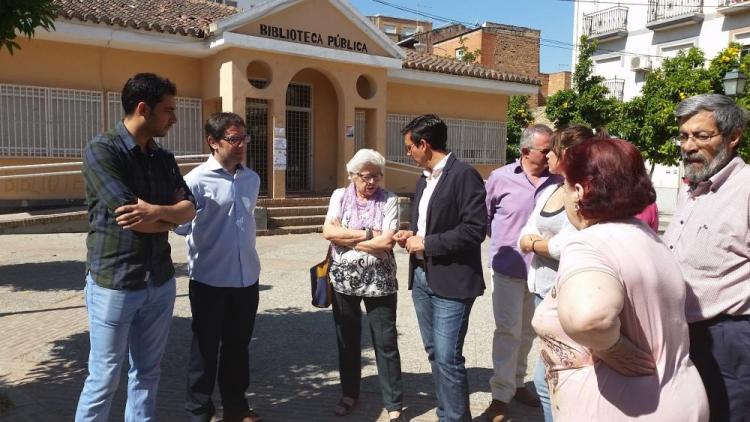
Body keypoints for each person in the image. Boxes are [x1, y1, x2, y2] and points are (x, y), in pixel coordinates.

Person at [532, 138, 709, 421]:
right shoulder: (647, 237)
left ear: (579, 191)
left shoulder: (590, 243)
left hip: (626, 408)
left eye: (564, 185)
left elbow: (588, 318)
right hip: (675, 398)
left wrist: (611, 347)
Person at [76, 73, 197, 422]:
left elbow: (189, 209)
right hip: (115, 282)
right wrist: (170, 216)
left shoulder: (163, 158)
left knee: (147, 373)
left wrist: (158, 211)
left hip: (159, 281)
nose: (173, 118)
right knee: (104, 377)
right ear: (143, 109)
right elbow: (130, 218)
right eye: (168, 110)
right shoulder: (102, 151)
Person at [393, 114, 486, 422]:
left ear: (425, 144)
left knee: (448, 357)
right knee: (435, 353)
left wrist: (427, 243)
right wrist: (410, 234)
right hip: (421, 277)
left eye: (410, 147)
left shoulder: (464, 175)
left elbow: (475, 230)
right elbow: (427, 224)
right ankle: (446, 412)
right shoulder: (424, 178)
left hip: (452, 280)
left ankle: (455, 418)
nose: (408, 153)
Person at [664, 93, 750, 421]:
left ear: (734, 136)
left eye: (701, 136)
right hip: (684, 335)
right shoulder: (693, 189)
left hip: (730, 340)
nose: (688, 146)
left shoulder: (745, 189)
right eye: (684, 136)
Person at [175, 112, 262, 422]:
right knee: (205, 351)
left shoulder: (251, 179)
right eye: (233, 139)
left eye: (244, 139)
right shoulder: (195, 180)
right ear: (212, 142)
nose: (240, 145)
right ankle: (199, 412)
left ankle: (236, 408)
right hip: (209, 279)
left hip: (246, 279)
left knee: (238, 348)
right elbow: (181, 228)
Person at [483, 124, 560, 421]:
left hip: (543, 273)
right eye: (546, 149)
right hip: (509, 269)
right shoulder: (500, 178)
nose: (551, 153)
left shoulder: (558, 181)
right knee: (507, 332)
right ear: (526, 151)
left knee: (529, 332)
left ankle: (517, 383)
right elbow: (487, 218)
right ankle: (500, 395)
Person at [516, 125, 593, 422]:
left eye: (552, 150)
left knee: (551, 380)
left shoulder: (584, 193)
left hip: (567, 294)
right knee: (550, 375)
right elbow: (526, 232)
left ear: (567, 156)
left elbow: (568, 244)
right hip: (541, 290)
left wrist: (536, 244)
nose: (546, 155)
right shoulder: (551, 190)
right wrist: (538, 243)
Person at [322, 149, 403, 422]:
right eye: (366, 177)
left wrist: (347, 239)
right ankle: (349, 394)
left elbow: (387, 243)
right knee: (347, 340)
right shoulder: (339, 196)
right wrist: (369, 234)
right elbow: (328, 232)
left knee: (386, 342)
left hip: (380, 282)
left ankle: (393, 404)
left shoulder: (390, 200)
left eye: (377, 176)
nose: (372, 183)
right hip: (344, 281)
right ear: (352, 176)